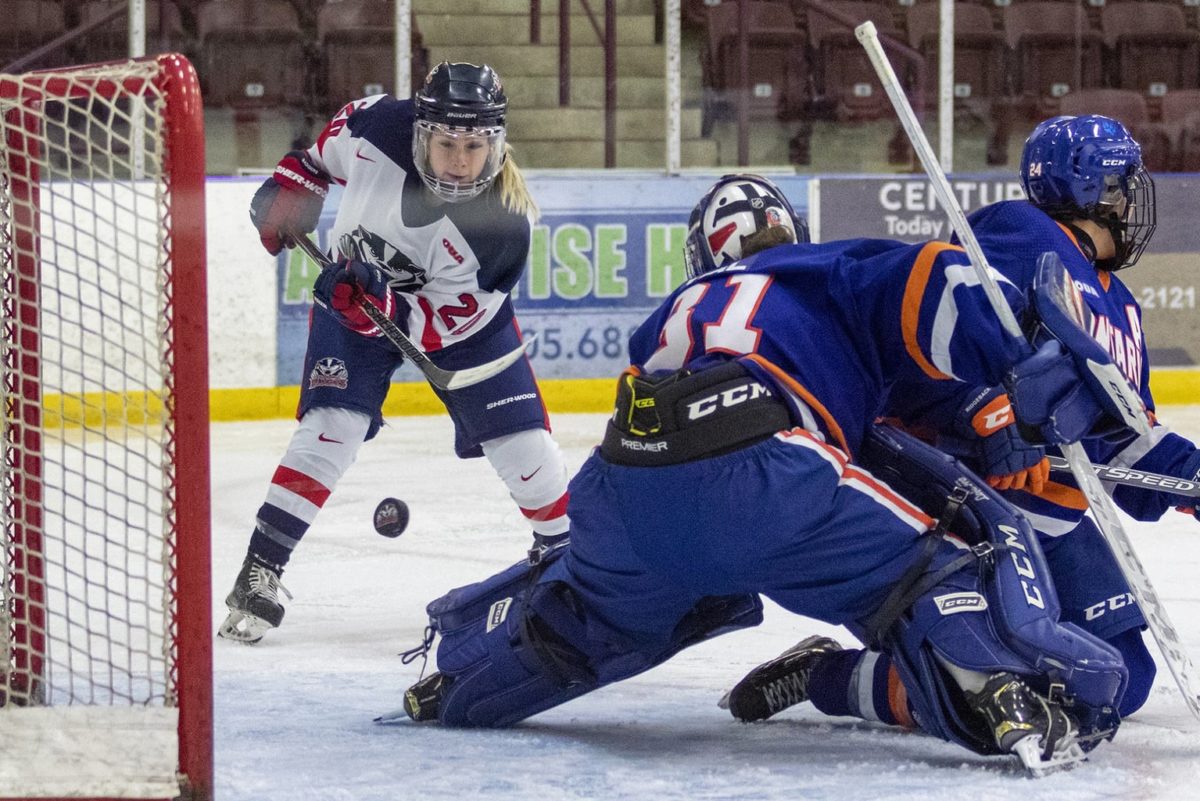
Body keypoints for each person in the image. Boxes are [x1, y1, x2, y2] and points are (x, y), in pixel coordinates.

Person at [394, 174, 1141, 773]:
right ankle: (995, 691)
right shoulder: (825, 271)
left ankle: (459, 682)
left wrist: (982, 407)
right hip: (770, 475)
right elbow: (937, 286)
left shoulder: (677, 308)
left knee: (584, 619)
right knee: (939, 566)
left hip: (625, 484)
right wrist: (1019, 353)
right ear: (794, 235)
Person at [722, 115, 1200, 730]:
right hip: (973, 504)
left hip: (1056, 520)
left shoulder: (1123, 308)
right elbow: (940, 338)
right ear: (1092, 189)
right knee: (1012, 685)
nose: (1131, 202)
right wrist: (982, 410)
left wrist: (1189, 475)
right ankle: (829, 678)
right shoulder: (1021, 234)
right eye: (1121, 185)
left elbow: (1121, 438)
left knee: (1121, 680)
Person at [218, 62, 571, 644]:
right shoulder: (373, 127)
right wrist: (292, 186)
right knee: (330, 428)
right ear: (418, 135)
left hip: (460, 331)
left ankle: (567, 561)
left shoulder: (500, 232)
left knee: (524, 450)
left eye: (474, 147)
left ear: (496, 143)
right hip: (350, 296)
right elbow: (316, 161)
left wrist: (377, 303)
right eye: (446, 144)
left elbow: (432, 333)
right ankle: (261, 571)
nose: (459, 161)